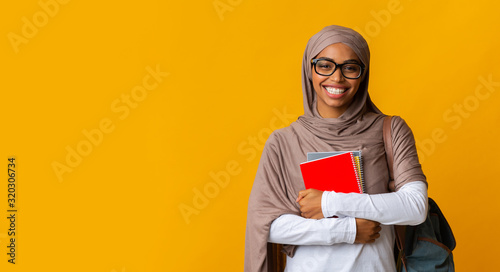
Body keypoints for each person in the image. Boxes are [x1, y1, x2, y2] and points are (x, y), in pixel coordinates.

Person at [244, 25, 428, 272]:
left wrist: (329, 202)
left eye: (350, 67)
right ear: (310, 70)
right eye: (325, 65)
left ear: (363, 74)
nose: (337, 78)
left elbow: (415, 207)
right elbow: (268, 225)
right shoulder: (284, 141)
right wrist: (347, 230)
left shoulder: (390, 130)